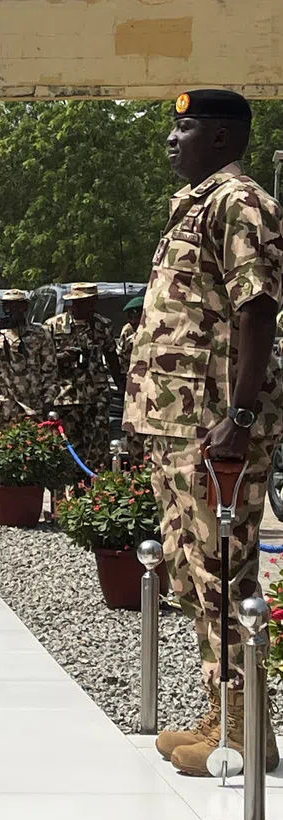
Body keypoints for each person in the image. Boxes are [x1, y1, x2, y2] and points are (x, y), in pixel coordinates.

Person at [125, 88, 283, 777]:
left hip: (216, 426)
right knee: (191, 575)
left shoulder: (239, 202)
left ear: (221, 139)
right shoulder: (193, 206)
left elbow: (259, 307)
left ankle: (247, 731)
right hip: (176, 424)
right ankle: (223, 712)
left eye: (185, 127)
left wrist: (241, 418)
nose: (171, 138)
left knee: (224, 570)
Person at [44, 283, 121, 476]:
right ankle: (64, 498)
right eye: (82, 302)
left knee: (96, 452)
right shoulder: (53, 326)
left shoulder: (103, 325)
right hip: (65, 396)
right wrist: (62, 357)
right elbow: (42, 359)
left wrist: (122, 387)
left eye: (90, 302)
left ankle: (91, 495)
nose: (88, 306)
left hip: (96, 397)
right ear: (72, 303)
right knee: (65, 450)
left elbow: (112, 358)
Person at [0, 289, 57, 430]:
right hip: (4, 408)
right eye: (7, 306)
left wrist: (48, 401)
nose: (11, 310)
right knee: (1, 450)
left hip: (33, 407)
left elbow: (50, 371)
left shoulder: (40, 333)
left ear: (25, 308)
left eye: (16, 306)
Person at [117, 295, 146, 467]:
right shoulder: (128, 332)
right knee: (133, 438)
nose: (131, 321)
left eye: (134, 316)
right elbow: (122, 360)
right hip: (134, 394)